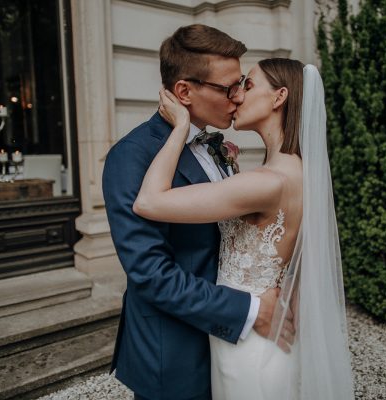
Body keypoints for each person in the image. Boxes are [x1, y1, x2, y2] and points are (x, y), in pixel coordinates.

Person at [133, 59, 355, 398]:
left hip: (250, 345)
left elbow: (148, 201)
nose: (236, 96)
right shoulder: (293, 171)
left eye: (248, 85)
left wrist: (180, 128)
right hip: (252, 332)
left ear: (279, 97)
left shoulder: (267, 182)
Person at [102, 24, 286, 400]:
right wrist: (249, 310)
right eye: (228, 87)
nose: (237, 98)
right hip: (174, 350)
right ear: (184, 91)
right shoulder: (132, 156)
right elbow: (151, 274)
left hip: (228, 345)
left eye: (242, 86)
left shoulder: (217, 144)